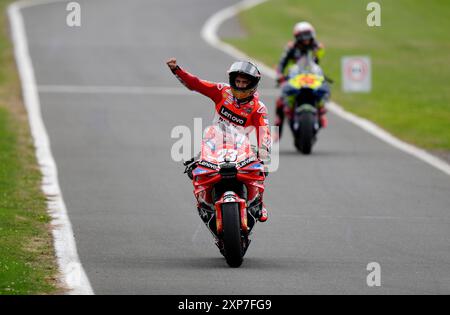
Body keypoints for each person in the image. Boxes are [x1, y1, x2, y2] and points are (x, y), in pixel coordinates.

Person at [166, 58, 271, 222]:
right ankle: (204, 204)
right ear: (232, 80)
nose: (241, 85)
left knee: (261, 172)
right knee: (193, 170)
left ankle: (257, 204)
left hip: (243, 150)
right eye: (238, 81)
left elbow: (264, 133)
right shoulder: (222, 91)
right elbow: (196, 84)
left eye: (245, 82)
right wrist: (177, 70)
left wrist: (263, 155)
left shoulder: (259, 108)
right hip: (215, 144)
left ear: (253, 83)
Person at [275, 21, 328, 140]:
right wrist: (279, 75)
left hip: (311, 76)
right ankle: (277, 128)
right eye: (302, 36)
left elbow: (317, 62)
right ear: (297, 37)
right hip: (295, 76)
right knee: (280, 100)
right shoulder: (291, 48)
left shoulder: (317, 47)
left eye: (307, 35)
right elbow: (281, 63)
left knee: (324, 90)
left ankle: (321, 111)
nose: (305, 39)